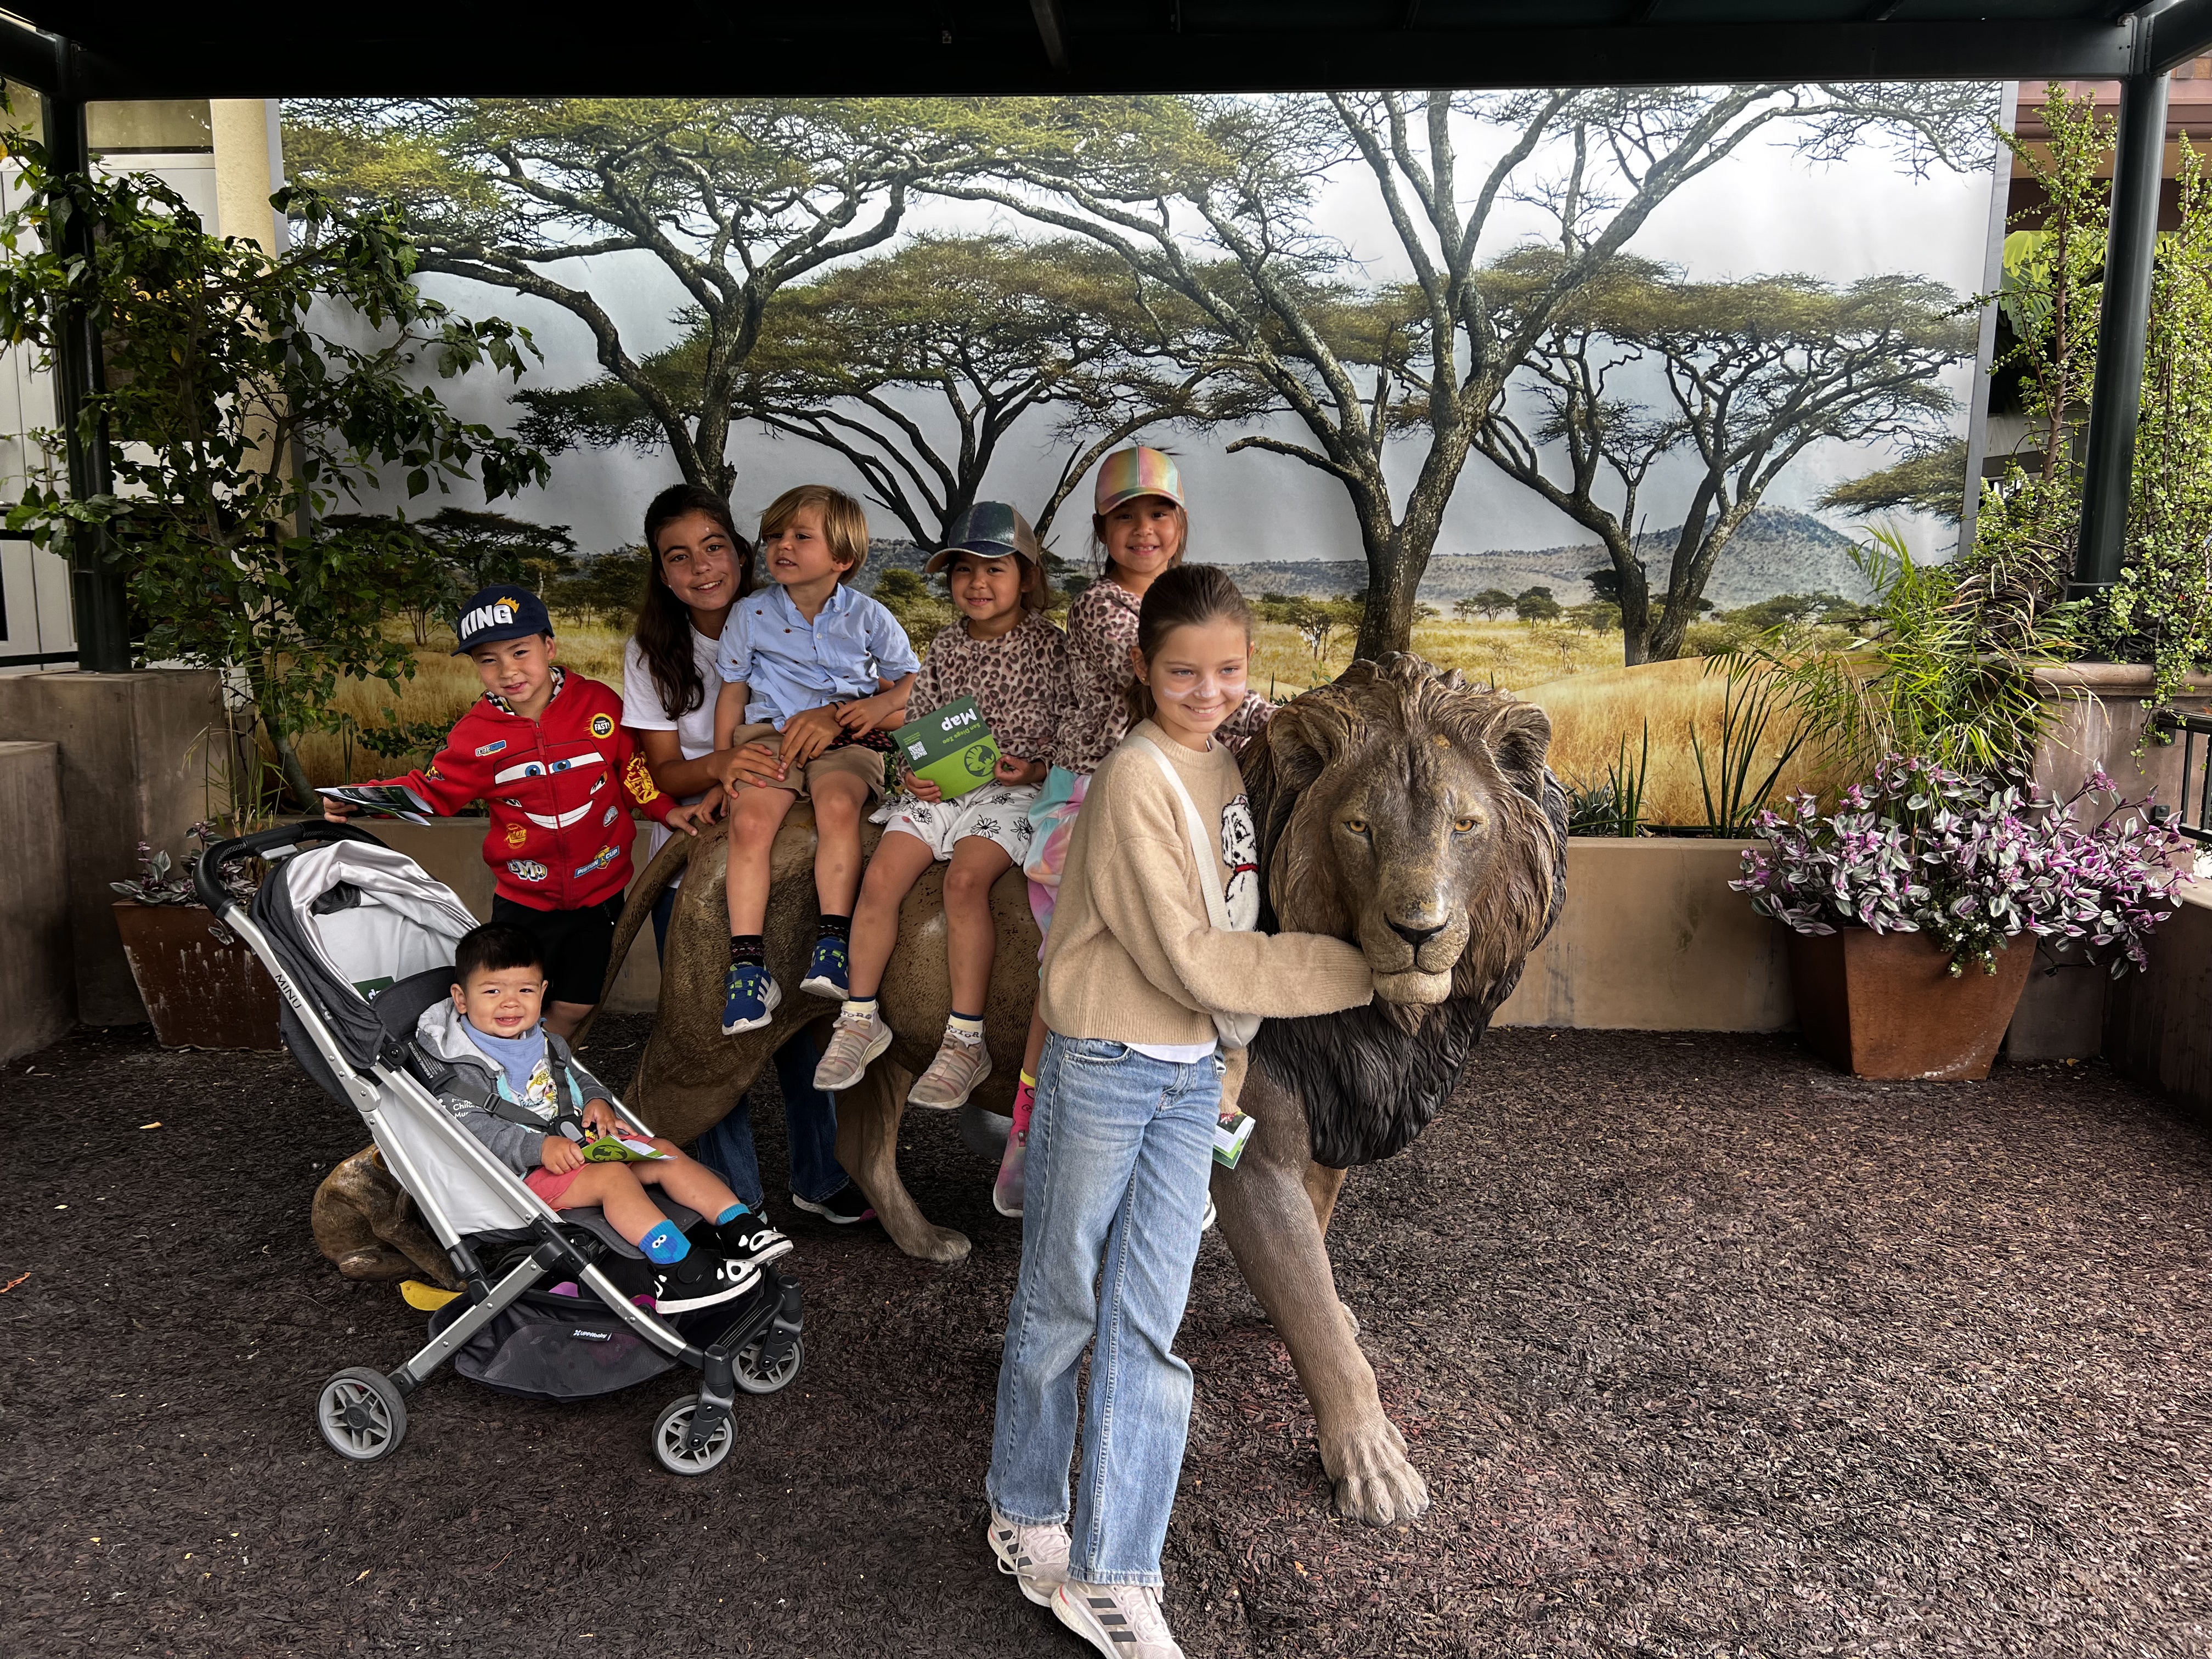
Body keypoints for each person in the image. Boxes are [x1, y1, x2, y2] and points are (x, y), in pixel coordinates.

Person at [983, 565, 1374, 1659]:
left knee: (1149, 1323)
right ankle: (1024, 1506)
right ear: (1141, 668)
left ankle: (1113, 1574)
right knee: (1062, 1297)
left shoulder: (1226, 775)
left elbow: (1236, 921)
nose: (1208, 692)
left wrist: (1229, 1065)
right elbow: (1192, 956)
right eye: (1182, 673)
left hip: (1190, 1075)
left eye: (1228, 671)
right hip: (1106, 1064)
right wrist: (1362, 969)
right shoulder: (1133, 779)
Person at [997, 446, 1272, 1215]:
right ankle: (1030, 1120)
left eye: (1159, 513)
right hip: (1094, 794)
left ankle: (1199, 1111)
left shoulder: (1195, 599)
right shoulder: (1103, 608)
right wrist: (1280, 720)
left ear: (1181, 523)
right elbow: (1194, 693)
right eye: (1126, 517)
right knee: (1074, 958)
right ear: (1102, 530)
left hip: (1177, 790)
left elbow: (1213, 690)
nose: (1144, 530)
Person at [620, 482, 873, 1226]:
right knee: (709, 1032)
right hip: (696, 861)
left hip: (791, 851)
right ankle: (734, 1198)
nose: (701, 567)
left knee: (802, 1018)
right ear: (662, 572)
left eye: (713, 547)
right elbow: (665, 773)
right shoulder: (653, 653)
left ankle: (821, 1176)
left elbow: (878, 699)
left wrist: (831, 724)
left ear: (739, 551)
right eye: (678, 557)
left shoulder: (796, 613)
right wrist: (725, 764)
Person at [324, 584, 713, 1040]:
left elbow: (632, 770)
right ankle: (509, 1074)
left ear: (549, 647)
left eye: (520, 651)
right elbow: (432, 791)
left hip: (601, 892)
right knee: (512, 1002)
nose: (508, 671)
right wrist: (363, 799)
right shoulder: (476, 735)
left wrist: (666, 811)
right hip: (524, 901)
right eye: (488, 660)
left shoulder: (599, 704)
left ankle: (546, 1069)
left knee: (576, 1003)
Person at [810, 503, 1068, 1109]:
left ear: (1027, 576)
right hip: (945, 789)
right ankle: (859, 1017)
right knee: (880, 877)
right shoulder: (947, 645)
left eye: (995, 569)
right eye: (963, 570)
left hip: (1013, 792)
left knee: (965, 882)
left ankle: (964, 1040)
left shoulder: (1051, 648)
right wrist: (914, 772)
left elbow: (1070, 731)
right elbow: (922, 726)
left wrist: (1036, 769)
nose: (977, 583)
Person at [417, 922, 792, 1313]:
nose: (510, 1004)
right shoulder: (460, 1067)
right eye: (493, 992)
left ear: (542, 993)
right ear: (461, 999)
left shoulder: (545, 1041)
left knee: (662, 1151)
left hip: (584, 1148)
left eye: (524, 991)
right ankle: (679, 1272)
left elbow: (576, 1079)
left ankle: (740, 1227)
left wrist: (597, 1100)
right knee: (614, 1177)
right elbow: (473, 1131)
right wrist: (537, 1148)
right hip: (525, 1177)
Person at [709, 485, 920, 1037]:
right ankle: (748, 968)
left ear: (842, 558)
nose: (783, 546)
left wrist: (874, 707)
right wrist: (725, 760)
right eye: (775, 536)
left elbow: (913, 683)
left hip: (846, 738)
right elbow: (733, 690)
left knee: (838, 805)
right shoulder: (750, 613)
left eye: (802, 536)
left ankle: (832, 943)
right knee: (750, 823)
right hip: (771, 736)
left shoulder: (869, 616)